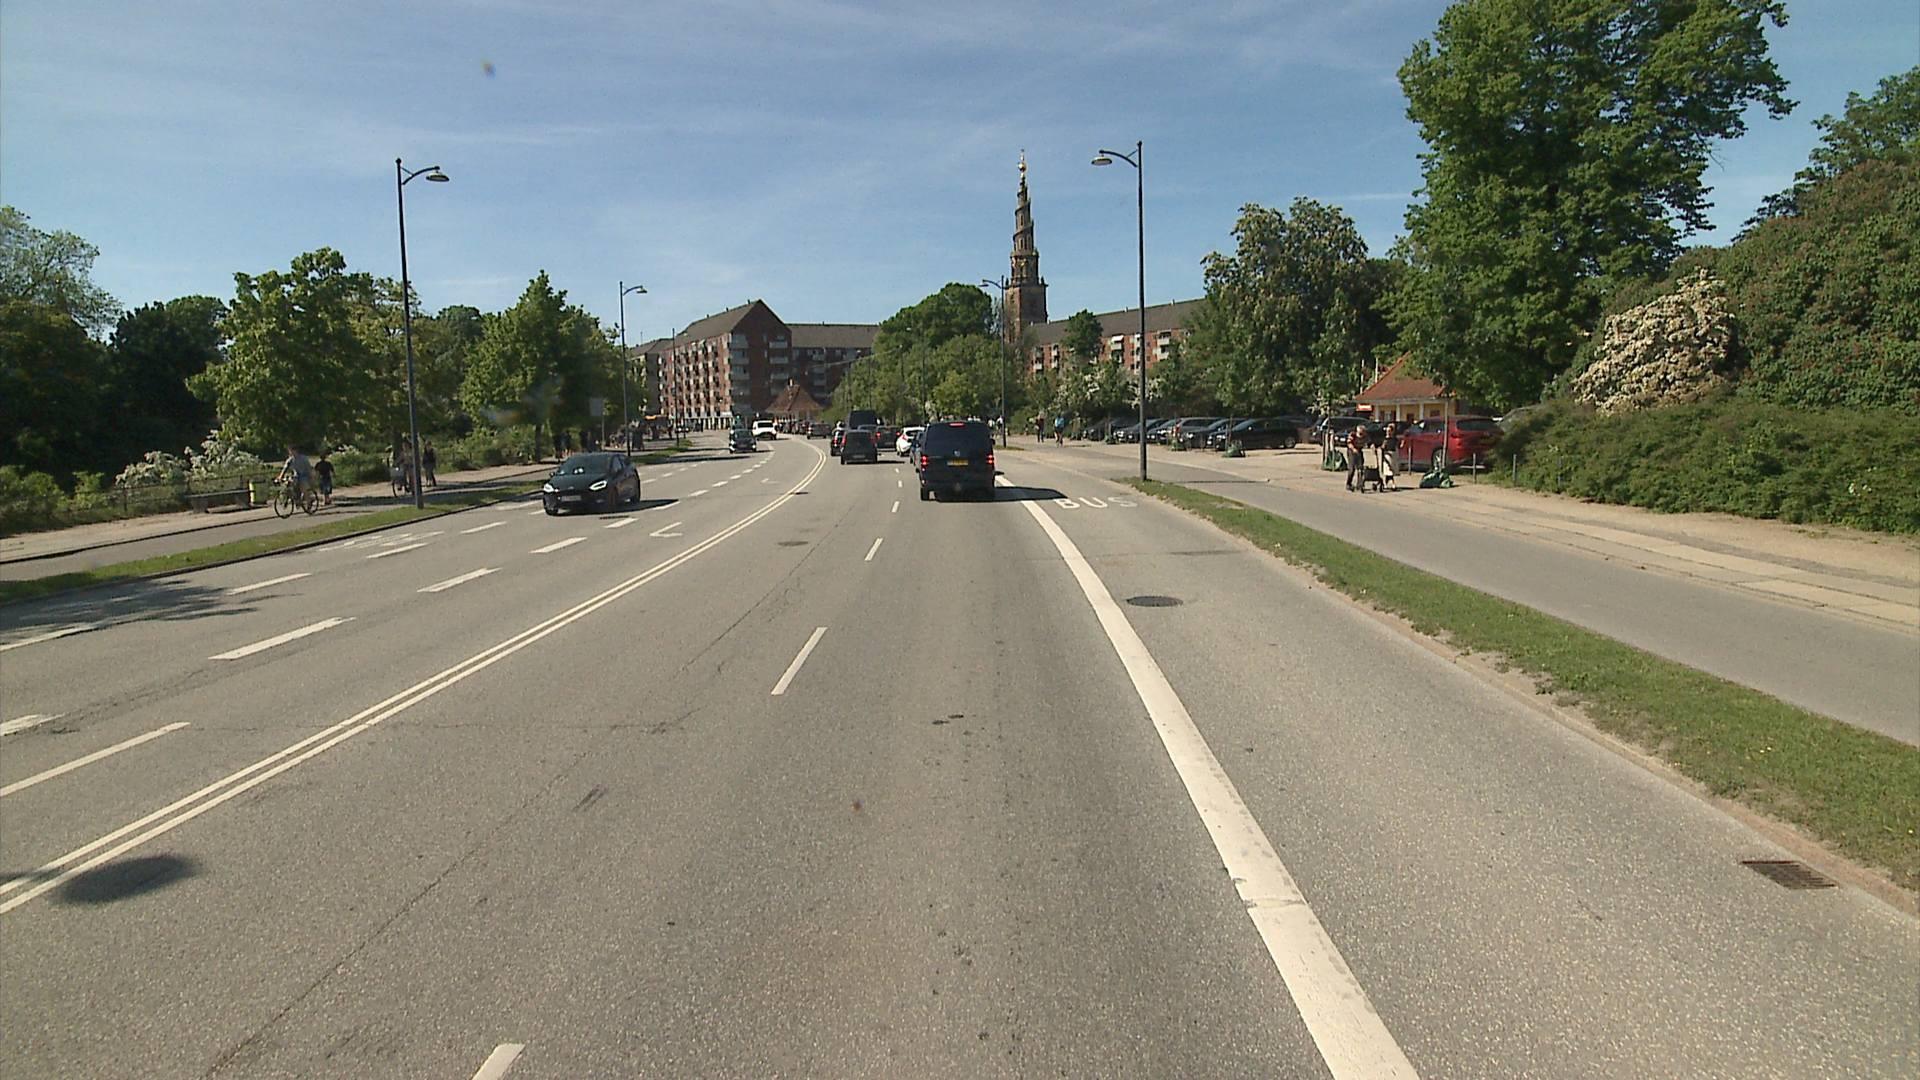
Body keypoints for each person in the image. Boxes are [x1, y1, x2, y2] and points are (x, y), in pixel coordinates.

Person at [1345, 423, 1367, 492]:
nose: (1361, 435)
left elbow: (1369, 442)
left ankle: (1360, 484)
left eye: (1362, 433)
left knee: (1360, 468)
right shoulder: (1352, 435)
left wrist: (1373, 446)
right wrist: (1353, 449)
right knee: (1352, 469)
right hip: (1351, 451)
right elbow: (1349, 443)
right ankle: (1348, 483)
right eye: (1360, 433)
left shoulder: (1365, 436)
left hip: (1359, 450)